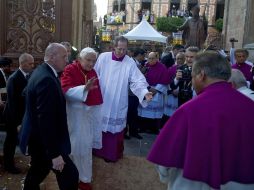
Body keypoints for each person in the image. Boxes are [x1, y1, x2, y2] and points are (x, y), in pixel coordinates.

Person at [147, 51, 254, 190]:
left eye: (193, 77)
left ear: (201, 75)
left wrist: (165, 176)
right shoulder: (250, 106)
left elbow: (165, 163)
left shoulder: (189, 110)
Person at [20, 43, 79, 190]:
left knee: (37, 173)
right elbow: (46, 121)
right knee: (70, 176)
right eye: (64, 56)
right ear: (52, 57)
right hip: (45, 144)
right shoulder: (46, 79)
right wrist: (55, 154)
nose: (68, 60)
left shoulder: (40, 71)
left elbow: (26, 94)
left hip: (39, 141)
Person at [93, 36, 153, 162]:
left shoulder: (129, 62)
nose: (121, 52)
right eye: (119, 49)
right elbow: (95, 75)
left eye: (124, 49)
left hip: (119, 99)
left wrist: (144, 92)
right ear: (114, 47)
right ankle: (97, 151)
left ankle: (111, 154)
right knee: (100, 125)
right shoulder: (103, 57)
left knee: (115, 128)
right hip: (103, 97)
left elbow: (137, 80)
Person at [61, 47, 103, 190]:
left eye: (93, 61)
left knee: (85, 148)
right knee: (76, 147)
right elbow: (66, 91)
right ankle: (74, 177)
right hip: (75, 115)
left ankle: (84, 178)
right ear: (80, 58)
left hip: (88, 116)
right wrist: (83, 89)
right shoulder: (70, 69)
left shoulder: (92, 72)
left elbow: (97, 95)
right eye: (88, 60)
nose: (91, 64)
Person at [3, 53, 34, 174]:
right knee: (10, 142)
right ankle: (8, 165)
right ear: (23, 63)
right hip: (12, 116)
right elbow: (12, 103)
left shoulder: (29, 75)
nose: (33, 65)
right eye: (30, 63)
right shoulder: (14, 78)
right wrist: (17, 123)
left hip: (24, 115)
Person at [138, 52, 170, 134]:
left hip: (157, 92)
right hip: (146, 90)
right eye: (149, 58)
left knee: (154, 114)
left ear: (157, 58)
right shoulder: (145, 66)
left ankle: (154, 129)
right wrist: (147, 88)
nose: (151, 60)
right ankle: (143, 127)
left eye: (153, 58)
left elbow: (165, 81)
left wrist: (156, 90)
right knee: (144, 110)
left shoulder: (162, 67)